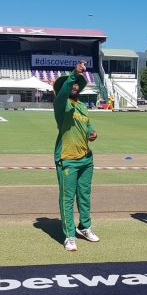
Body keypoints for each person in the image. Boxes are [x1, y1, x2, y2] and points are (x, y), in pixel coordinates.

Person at [53, 60, 99, 252]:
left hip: (86, 159)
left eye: (76, 83)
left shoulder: (81, 106)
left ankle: (84, 227)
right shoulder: (60, 104)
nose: (74, 85)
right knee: (67, 198)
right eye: (70, 83)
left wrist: (92, 132)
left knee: (84, 195)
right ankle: (69, 235)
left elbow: (87, 125)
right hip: (68, 159)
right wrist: (73, 73)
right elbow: (63, 92)